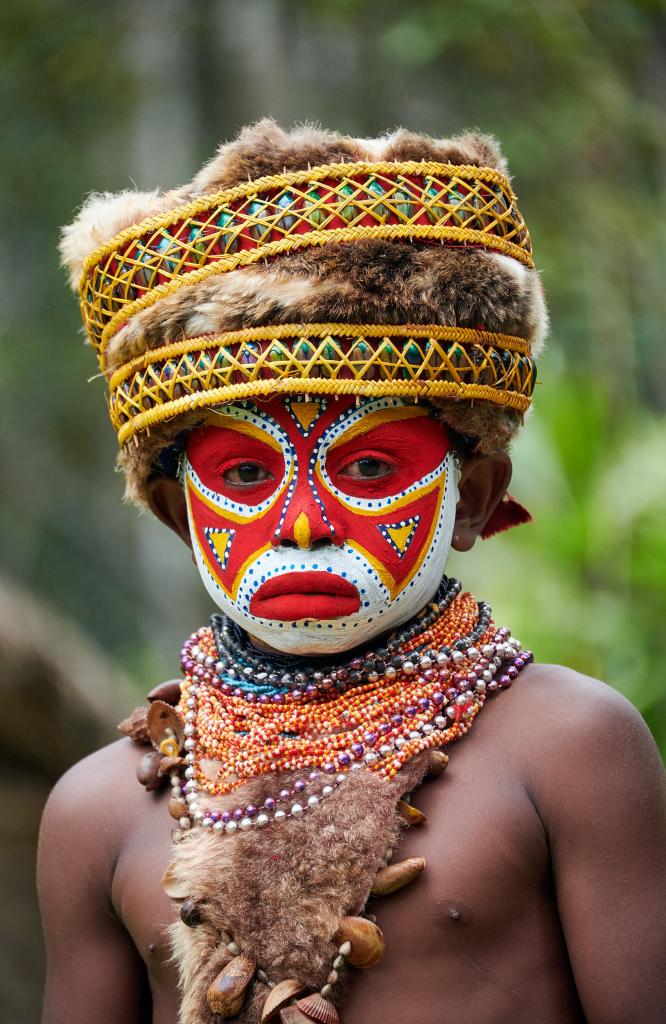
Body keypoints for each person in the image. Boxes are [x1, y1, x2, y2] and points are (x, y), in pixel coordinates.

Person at [38, 120, 665, 1024]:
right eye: (245, 475)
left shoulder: (567, 747)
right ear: (181, 514)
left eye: (369, 468)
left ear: (476, 497)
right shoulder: (100, 811)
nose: (300, 527)